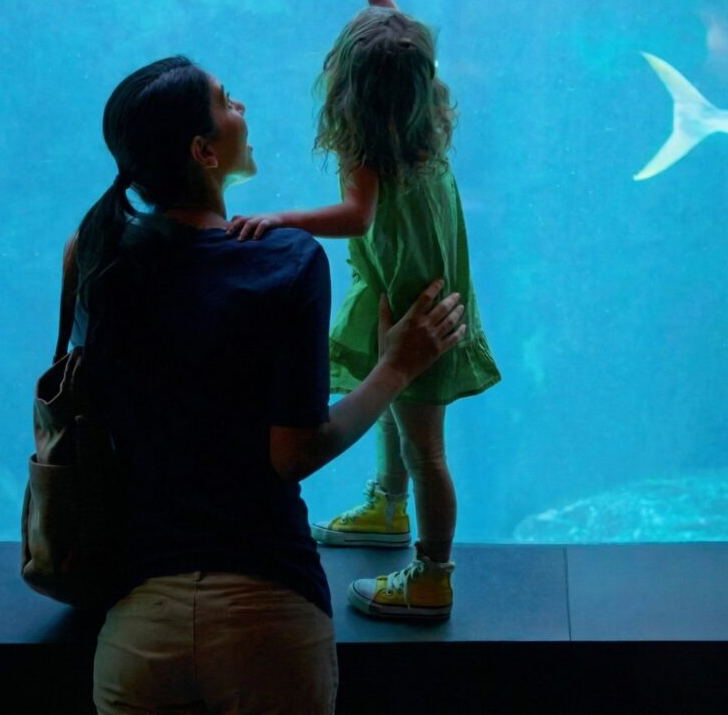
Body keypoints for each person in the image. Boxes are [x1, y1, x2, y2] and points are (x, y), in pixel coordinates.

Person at [67, 55, 466, 714]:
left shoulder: (92, 251)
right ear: (202, 151)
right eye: (226, 102)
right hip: (266, 614)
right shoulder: (284, 262)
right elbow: (294, 454)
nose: (241, 109)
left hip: (135, 622)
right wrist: (397, 365)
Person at [228, 0, 501, 621]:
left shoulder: (367, 149)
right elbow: (402, 48)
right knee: (391, 405)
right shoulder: (426, 108)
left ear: (348, 91)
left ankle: (433, 574)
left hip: (418, 308)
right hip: (415, 283)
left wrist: (282, 218)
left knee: (425, 447)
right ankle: (386, 505)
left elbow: (354, 218)